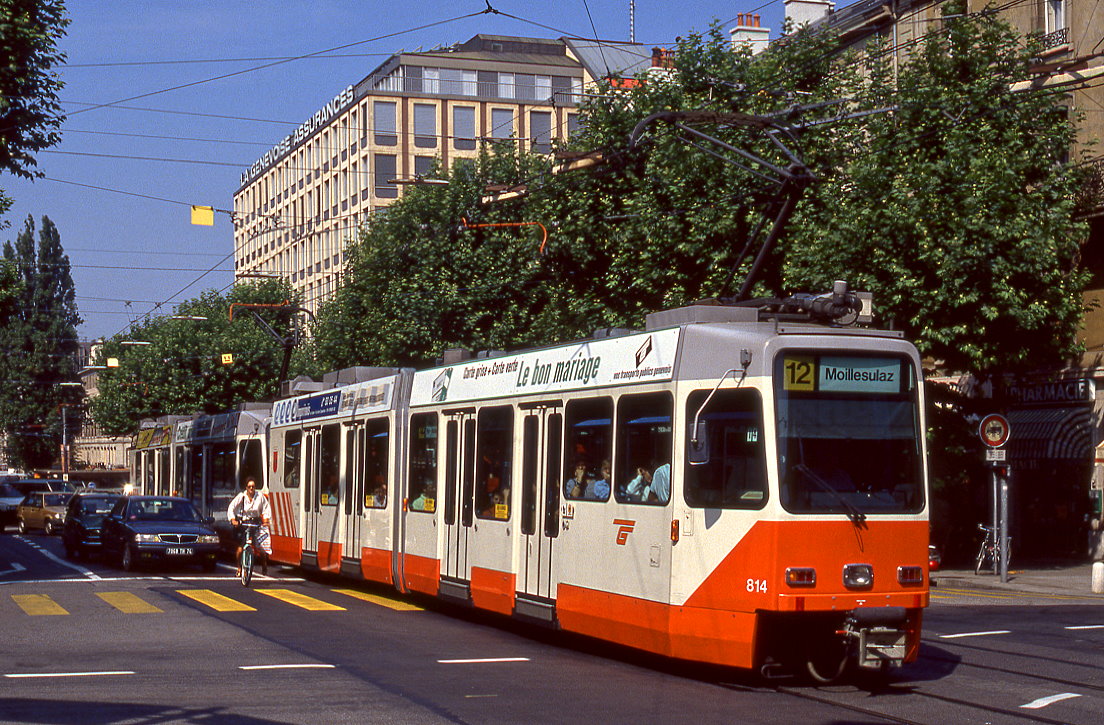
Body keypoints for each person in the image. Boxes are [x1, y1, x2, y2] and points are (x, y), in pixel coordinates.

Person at [227, 477, 272, 577]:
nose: (251, 488)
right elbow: (231, 507)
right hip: (244, 523)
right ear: (246, 488)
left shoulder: (260, 496)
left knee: (262, 548)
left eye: (253, 486)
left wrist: (266, 520)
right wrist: (233, 519)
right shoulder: (241, 497)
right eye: (249, 486)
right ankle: (239, 567)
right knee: (240, 550)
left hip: (256, 523)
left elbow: (266, 508)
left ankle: (264, 564)